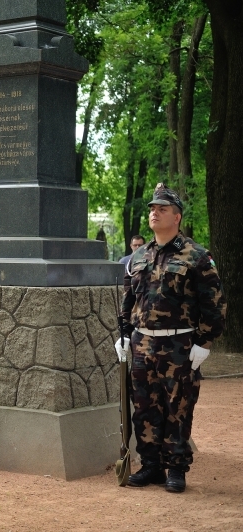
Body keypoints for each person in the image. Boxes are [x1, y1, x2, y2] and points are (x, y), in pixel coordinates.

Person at [116, 183, 226, 494]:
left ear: (176, 217)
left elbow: (215, 304)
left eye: (162, 209)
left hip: (179, 345)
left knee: (178, 406)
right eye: (152, 209)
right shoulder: (138, 256)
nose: (154, 213)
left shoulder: (197, 256)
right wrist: (124, 335)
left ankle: (176, 467)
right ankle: (151, 465)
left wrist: (204, 343)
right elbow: (128, 301)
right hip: (142, 344)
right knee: (144, 407)